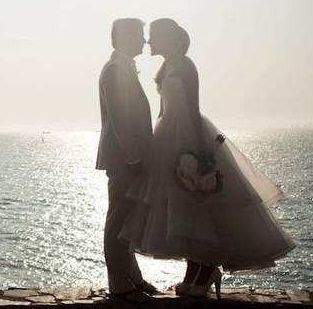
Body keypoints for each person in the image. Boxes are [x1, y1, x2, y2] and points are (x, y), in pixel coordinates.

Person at [120, 18, 295, 299]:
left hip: (188, 135)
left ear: (168, 38)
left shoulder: (186, 65)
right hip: (167, 137)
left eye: (153, 37)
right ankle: (194, 273)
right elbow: (163, 110)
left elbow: (192, 107)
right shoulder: (165, 67)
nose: (149, 42)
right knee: (180, 205)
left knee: (199, 203)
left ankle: (207, 269)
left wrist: (199, 150)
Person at [96, 18, 157, 303]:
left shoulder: (121, 68)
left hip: (129, 157)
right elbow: (120, 120)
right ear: (125, 37)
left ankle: (132, 276)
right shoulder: (114, 70)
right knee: (118, 219)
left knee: (127, 218)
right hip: (123, 158)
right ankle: (119, 282)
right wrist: (133, 156)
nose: (144, 41)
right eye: (139, 35)